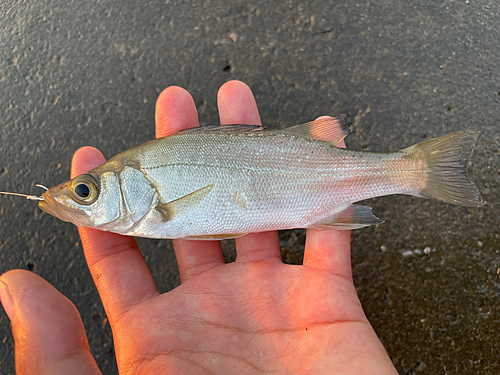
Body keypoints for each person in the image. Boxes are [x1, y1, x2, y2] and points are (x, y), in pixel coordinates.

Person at [0, 81, 398, 374]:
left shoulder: (152, 200)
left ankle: (409, 170)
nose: (76, 198)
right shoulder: (146, 196)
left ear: (132, 181)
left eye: (86, 191)